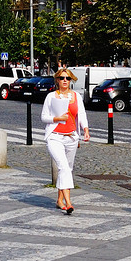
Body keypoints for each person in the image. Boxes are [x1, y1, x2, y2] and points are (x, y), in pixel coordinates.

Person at [42, 71, 89, 214]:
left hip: (71, 137)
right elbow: (44, 117)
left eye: (67, 78)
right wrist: (57, 119)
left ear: (71, 80)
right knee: (63, 167)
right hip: (55, 137)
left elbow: (81, 114)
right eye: (61, 78)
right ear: (57, 80)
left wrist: (85, 129)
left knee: (68, 168)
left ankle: (59, 200)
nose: (64, 80)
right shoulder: (51, 96)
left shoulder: (76, 96)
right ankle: (68, 203)